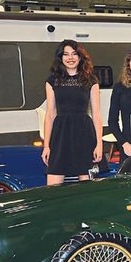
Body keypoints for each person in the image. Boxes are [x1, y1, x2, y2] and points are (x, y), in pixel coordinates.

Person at [42, 39, 103, 185]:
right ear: (61, 57)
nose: (70, 57)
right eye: (66, 54)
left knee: (87, 187)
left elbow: (96, 114)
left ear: (80, 56)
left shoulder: (91, 80)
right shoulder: (52, 81)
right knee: (53, 187)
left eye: (74, 54)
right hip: (60, 135)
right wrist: (46, 145)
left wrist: (99, 143)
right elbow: (50, 115)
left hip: (84, 134)